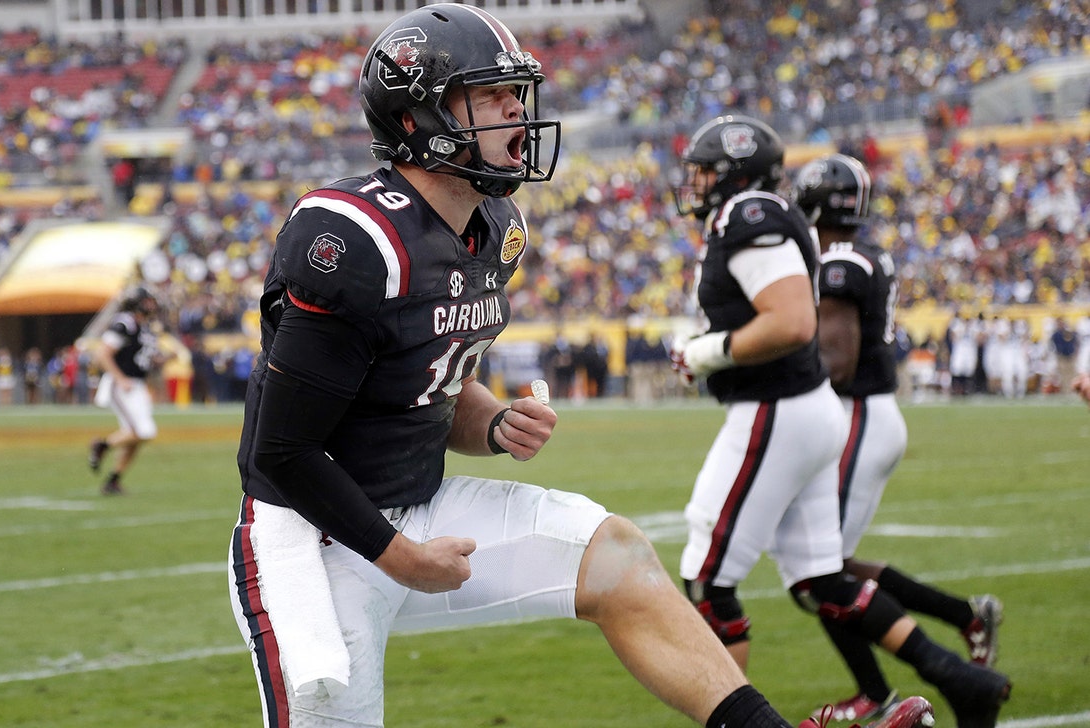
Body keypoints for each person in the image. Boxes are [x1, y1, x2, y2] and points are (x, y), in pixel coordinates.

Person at [228, 12, 932, 728]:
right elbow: (283, 451)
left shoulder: (494, 227)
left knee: (617, 556)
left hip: (421, 507)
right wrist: (402, 558)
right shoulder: (353, 238)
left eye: (516, 92)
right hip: (311, 538)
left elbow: (424, 381)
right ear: (420, 117)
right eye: (492, 94)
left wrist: (493, 421)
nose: (517, 111)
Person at [668, 115, 1006, 728]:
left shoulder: (748, 216)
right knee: (822, 578)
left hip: (783, 410)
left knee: (708, 578)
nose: (693, 185)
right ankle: (957, 677)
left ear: (732, 174)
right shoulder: (766, 218)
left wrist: (706, 352)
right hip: (814, 410)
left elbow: (795, 324)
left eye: (703, 173)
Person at [797, 153, 1007, 723]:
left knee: (819, 574)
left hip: (858, 414)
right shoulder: (857, 254)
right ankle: (963, 617)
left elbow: (836, 360)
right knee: (825, 567)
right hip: (863, 416)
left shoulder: (838, 260)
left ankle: (884, 689)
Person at [88, 284, 165, 495]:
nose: (152, 305)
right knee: (144, 432)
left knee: (135, 437)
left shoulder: (144, 326)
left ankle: (113, 481)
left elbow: (141, 358)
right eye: (148, 301)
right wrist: (120, 378)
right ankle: (102, 445)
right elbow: (102, 354)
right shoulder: (125, 323)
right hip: (122, 384)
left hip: (136, 384)